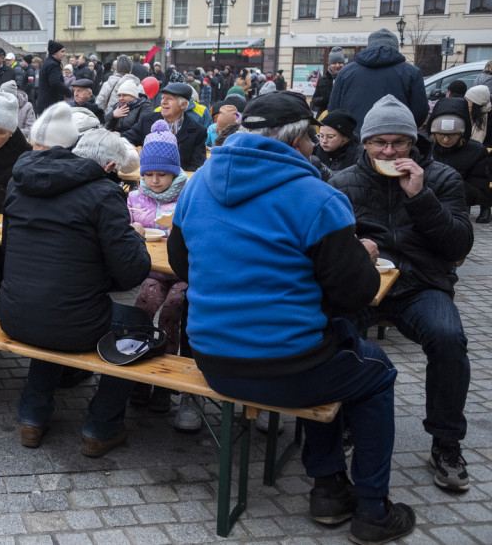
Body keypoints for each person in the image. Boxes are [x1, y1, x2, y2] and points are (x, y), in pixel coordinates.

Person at [169, 91, 415, 542]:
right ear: (301, 139)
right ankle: (373, 511)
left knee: (334, 340)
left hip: (213, 360)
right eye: (311, 139)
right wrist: (361, 255)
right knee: (375, 369)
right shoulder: (317, 197)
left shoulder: (199, 183)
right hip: (287, 367)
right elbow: (355, 294)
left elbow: (183, 266)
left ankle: (327, 488)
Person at [330, 95, 473, 496]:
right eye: (380, 143)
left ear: (414, 142)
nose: (389, 151)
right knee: (335, 334)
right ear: (364, 143)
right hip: (363, 284)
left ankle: (446, 441)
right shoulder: (342, 182)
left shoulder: (442, 178)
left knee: (448, 339)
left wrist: (420, 197)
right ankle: (341, 422)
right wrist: (354, 250)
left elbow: (458, 245)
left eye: (399, 143)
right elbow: (326, 244)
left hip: (421, 284)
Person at [0, 129, 151, 457]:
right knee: (138, 324)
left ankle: (32, 415)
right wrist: (133, 236)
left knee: (59, 308)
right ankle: (102, 427)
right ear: (110, 166)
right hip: (68, 320)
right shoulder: (102, 193)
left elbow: (9, 248)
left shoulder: (20, 182)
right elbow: (131, 273)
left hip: (13, 312)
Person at [127, 122, 191, 426]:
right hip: (152, 269)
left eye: (161, 174)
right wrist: (134, 230)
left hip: (181, 271)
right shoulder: (134, 197)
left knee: (174, 310)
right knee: (144, 304)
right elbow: (125, 229)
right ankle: (139, 371)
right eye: (149, 174)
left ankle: (165, 382)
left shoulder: (188, 196)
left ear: (174, 173)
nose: (154, 180)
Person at [329, 30, 427, 134]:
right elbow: (420, 112)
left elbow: (334, 109)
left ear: (369, 46)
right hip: (396, 139)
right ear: (395, 47)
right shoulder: (411, 72)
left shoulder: (346, 72)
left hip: (355, 139)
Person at [428, 97, 492, 223]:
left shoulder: (477, 152)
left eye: (452, 134)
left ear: (462, 133)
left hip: (455, 213)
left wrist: (450, 182)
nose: (446, 140)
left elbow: (481, 193)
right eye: (441, 134)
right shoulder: (423, 147)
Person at [123, 83, 207, 171]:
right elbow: (126, 138)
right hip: (147, 178)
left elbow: (196, 166)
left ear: (183, 105)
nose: (163, 102)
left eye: (169, 99)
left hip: (179, 181)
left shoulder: (198, 131)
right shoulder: (147, 121)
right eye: (163, 98)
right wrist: (131, 148)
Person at [36, 40, 69, 114]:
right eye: (62, 51)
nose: (64, 54)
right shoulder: (53, 65)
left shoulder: (47, 62)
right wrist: (67, 92)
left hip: (46, 105)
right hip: (51, 105)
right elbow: (55, 82)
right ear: (55, 52)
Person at [311, 48, 345, 115]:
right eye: (334, 63)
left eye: (340, 63)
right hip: (325, 117)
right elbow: (314, 100)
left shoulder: (349, 78)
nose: (337, 65)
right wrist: (325, 99)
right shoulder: (322, 80)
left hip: (343, 116)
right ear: (329, 64)